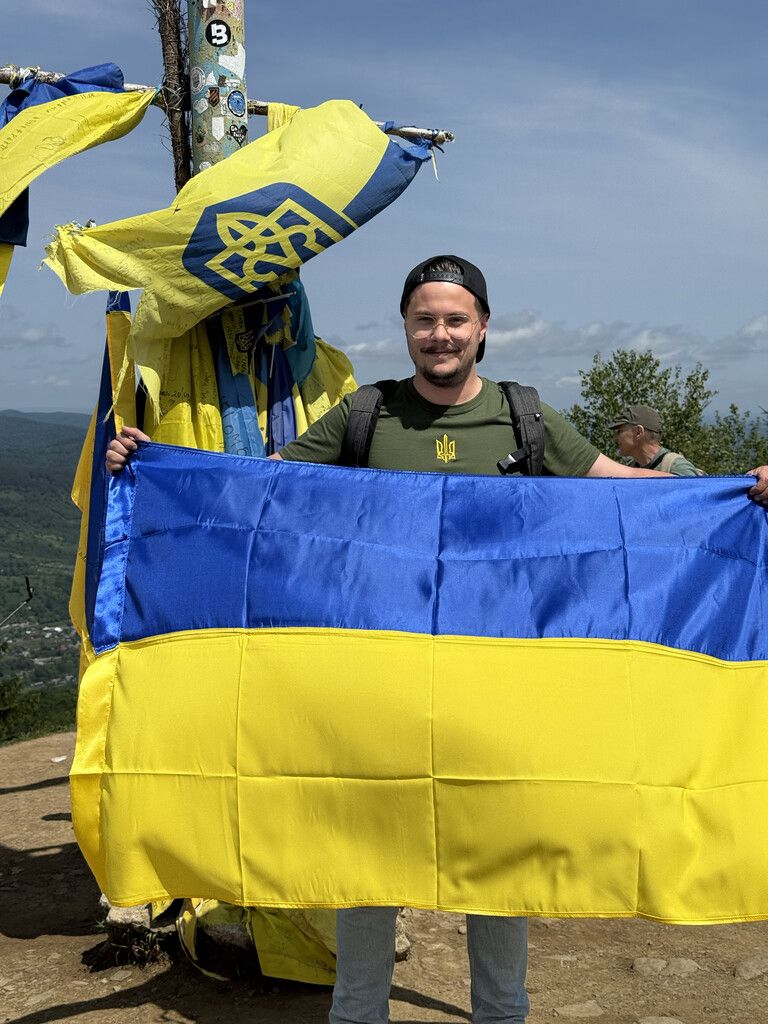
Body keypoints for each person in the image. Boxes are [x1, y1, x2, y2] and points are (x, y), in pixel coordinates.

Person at [107, 255, 768, 1023]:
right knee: (369, 864)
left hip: (493, 700)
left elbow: (617, 483)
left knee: (499, 868)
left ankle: (500, 1015)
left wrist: (737, 487)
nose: (441, 334)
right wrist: (151, 464)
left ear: (482, 327)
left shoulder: (524, 416)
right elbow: (262, 485)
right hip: (378, 697)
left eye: (456, 319)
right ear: (408, 329)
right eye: (426, 320)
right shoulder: (367, 415)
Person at [610, 405, 703, 476]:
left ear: (639, 432)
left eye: (619, 431)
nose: (615, 437)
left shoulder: (677, 467)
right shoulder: (630, 467)